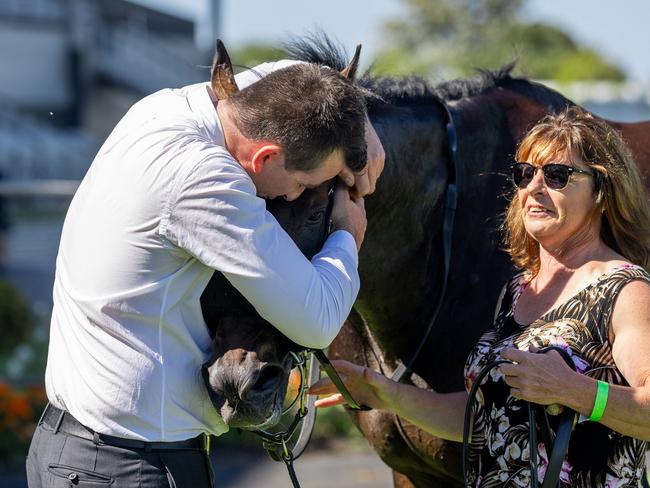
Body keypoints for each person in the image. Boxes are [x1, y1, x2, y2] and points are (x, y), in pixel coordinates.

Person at [26, 58, 385, 488]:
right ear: (265, 156)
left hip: (75, 452)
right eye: (303, 184)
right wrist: (347, 233)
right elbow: (317, 321)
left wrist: (359, 123)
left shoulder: (166, 108)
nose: (294, 195)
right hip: (128, 468)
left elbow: (288, 78)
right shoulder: (204, 179)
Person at [311, 107, 650, 487]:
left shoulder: (626, 289)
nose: (535, 187)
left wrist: (574, 390)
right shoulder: (518, 291)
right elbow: (482, 416)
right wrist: (385, 392)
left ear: (602, 192)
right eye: (525, 174)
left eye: (557, 175)